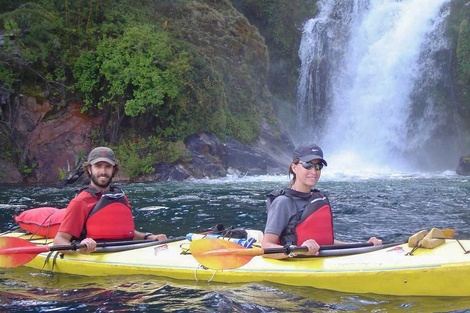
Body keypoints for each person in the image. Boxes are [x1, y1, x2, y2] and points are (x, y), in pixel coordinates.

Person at [261, 143, 382, 259]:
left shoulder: (317, 198)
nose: (314, 171)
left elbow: (326, 241)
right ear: (294, 167)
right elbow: (266, 247)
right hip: (297, 262)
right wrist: (298, 251)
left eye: (318, 166)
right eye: (308, 165)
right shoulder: (283, 202)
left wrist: (365, 246)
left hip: (319, 260)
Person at [53, 146, 167, 253]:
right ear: (89, 169)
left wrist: (149, 237)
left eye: (107, 166)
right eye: (98, 166)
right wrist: (79, 248)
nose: (103, 171)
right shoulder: (80, 202)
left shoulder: (121, 197)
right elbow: (59, 242)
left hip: (123, 252)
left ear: (114, 169)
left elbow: (126, 232)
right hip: (94, 255)